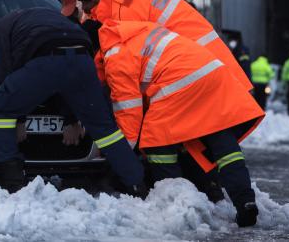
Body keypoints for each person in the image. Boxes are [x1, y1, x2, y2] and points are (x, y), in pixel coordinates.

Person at [99, 19, 264, 227]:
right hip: (212, 73)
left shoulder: (113, 55)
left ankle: (173, 199)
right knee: (223, 144)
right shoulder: (142, 31)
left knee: (156, 138)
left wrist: (122, 151)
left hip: (180, 83)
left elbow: (129, 110)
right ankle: (245, 201)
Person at [0, 7, 146, 196]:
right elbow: (66, 80)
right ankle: (136, 184)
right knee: (104, 129)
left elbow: (6, 74)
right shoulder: (56, 18)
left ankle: (12, 180)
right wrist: (71, 119)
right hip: (82, 60)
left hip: (48, 62)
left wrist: (19, 119)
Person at [78, 0, 252, 93]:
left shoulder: (126, 6)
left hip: (200, 73)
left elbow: (128, 67)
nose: (85, 8)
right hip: (210, 69)